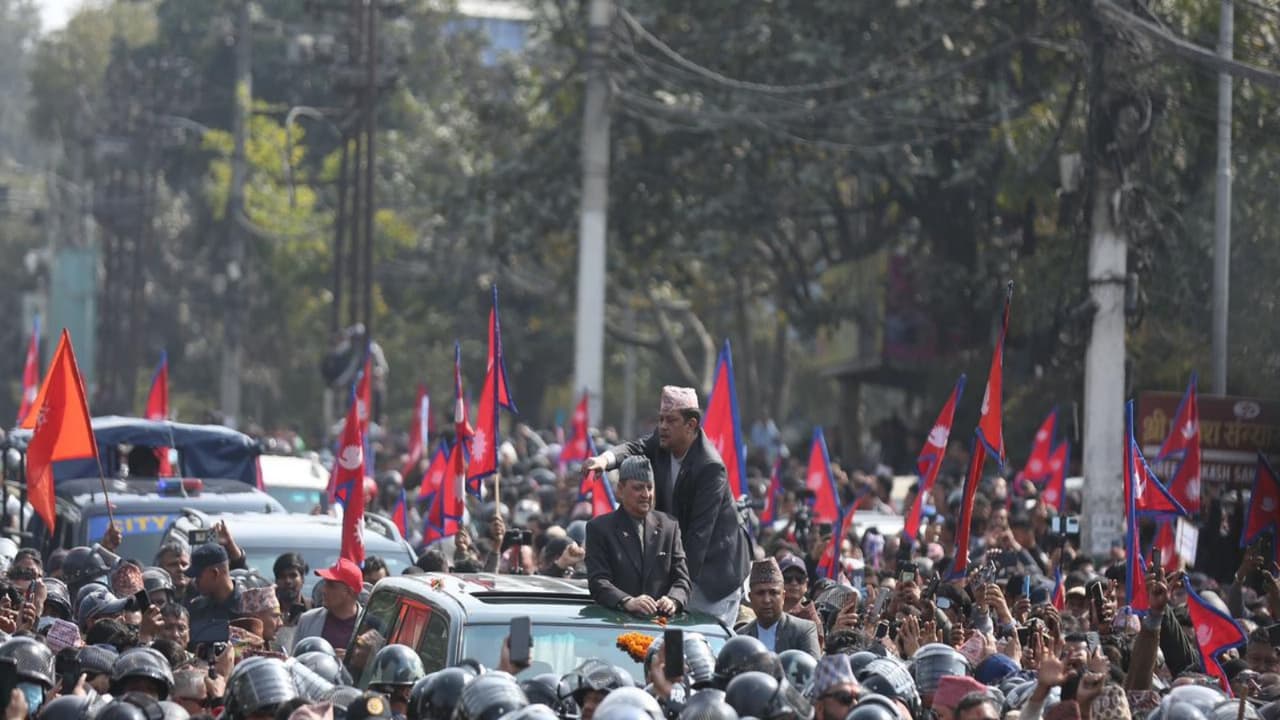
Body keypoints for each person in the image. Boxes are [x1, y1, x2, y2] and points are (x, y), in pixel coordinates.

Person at [584, 386, 750, 625]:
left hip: (715, 577)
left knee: (698, 649)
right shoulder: (662, 443)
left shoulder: (710, 468)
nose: (662, 426)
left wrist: (675, 595)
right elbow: (633, 448)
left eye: (670, 420)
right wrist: (604, 460)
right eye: (660, 419)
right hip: (684, 566)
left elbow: (697, 539)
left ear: (691, 425)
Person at [585, 457, 691, 616]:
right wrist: (628, 601)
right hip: (615, 622)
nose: (646, 494)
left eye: (650, 488)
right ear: (620, 490)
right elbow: (598, 581)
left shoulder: (669, 526)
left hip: (660, 625)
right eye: (638, 488)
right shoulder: (599, 528)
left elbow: (682, 580)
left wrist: (673, 600)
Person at [738, 559, 820, 658]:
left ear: (783, 596)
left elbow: (812, 670)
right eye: (760, 593)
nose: (767, 600)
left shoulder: (803, 630)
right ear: (750, 598)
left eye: (773, 593)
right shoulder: (741, 637)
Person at [292, 557, 365, 656]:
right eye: (325, 583)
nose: (324, 590)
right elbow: (294, 663)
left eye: (331, 586)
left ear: (350, 592)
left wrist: (353, 660)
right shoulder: (307, 620)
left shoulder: (369, 625)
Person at [273, 552, 311, 625]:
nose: (288, 581)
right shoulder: (267, 613)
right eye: (282, 576)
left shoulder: (315, 610)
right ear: (276, 581)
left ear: (302, 579)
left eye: (293, 575)